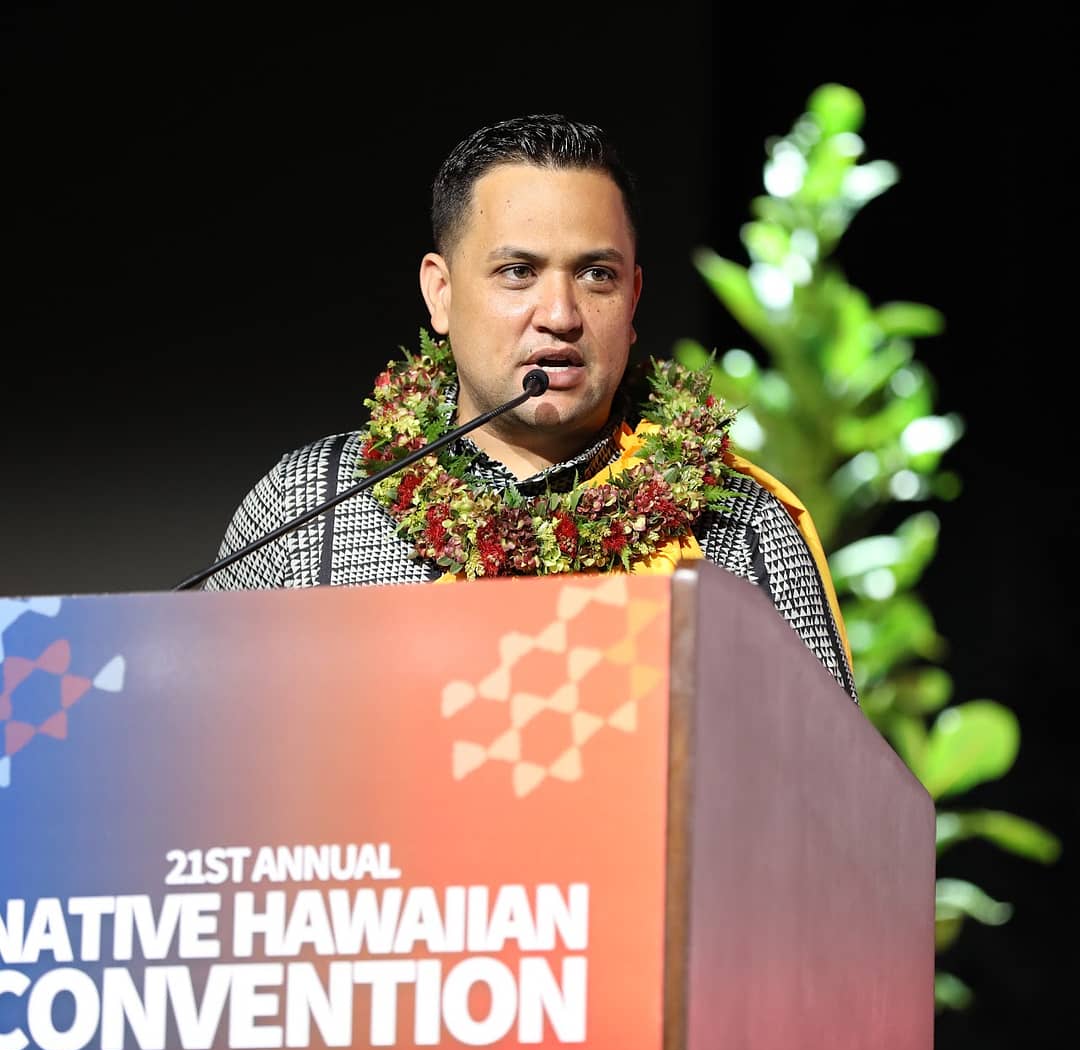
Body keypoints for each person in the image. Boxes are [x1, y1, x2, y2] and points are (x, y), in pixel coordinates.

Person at [204, 113, 858, 703]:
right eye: (518, 271)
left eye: (595, 274)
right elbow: (197, 766)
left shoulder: (742, 529)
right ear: (441, 293)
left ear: (632, 299)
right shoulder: (308, 508)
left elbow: (834, 808)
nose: (560, 316)